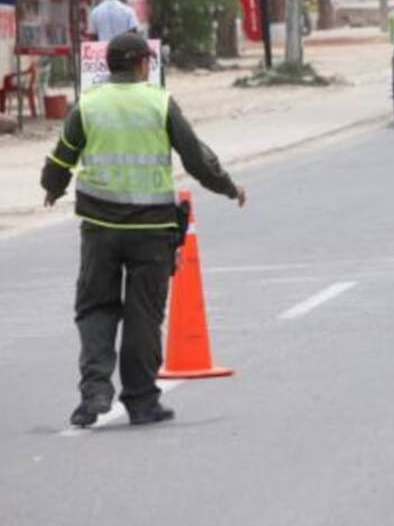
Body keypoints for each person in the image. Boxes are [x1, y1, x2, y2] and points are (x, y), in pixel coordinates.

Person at [41, 32, 247, 428]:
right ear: (141, 64)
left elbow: (62, 156)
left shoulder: (88, 105)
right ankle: (141, 401)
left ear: (111, 65)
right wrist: (228, 187)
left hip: (100, 228)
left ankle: (95, 392)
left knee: (96, 308)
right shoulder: (160, 103)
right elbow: (197, 158)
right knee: (144, 315)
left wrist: (52, 188)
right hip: (152, 229)